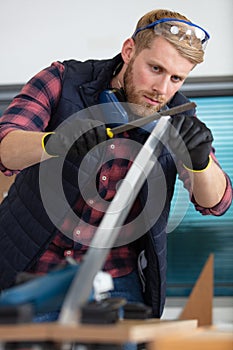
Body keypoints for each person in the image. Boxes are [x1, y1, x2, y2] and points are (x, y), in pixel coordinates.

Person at [0, 8, 232, 326]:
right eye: (155, 68)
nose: (162, 90)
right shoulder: (61, 80)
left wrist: (200, 161)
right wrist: (59, 142)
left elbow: (216, 202)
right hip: (35, 273)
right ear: (129, 50)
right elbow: (6, 148)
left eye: (176, 78)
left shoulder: (178, 117)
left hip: (116, 283)